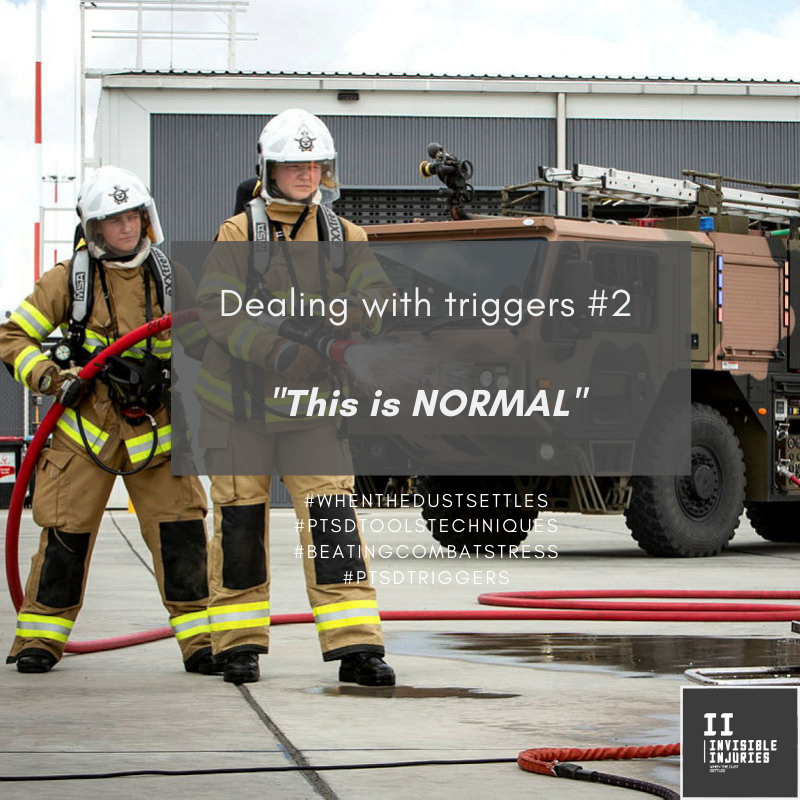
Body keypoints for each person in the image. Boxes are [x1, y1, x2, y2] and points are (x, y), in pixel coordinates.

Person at [196, 108, 396, 685]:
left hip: (312, 406)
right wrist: (276, 349)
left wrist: (339, 322)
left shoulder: (345, 236)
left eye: (315, 163)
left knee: (333, 520)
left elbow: (379, 299)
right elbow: (217, 307)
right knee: (240, 524)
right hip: (241, 407)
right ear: (269, 167)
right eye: (293, 163)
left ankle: (357, 646)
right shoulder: (239, 233)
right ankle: (236, 644)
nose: (306, 174)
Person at [1, 166, 217, 675]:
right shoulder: (70, 280)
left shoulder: (169, 276)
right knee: (65, 534)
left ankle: (200, 640)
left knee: (182, 534)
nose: (126, 228)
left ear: (147, 219)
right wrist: (54, 379)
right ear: (94, 228)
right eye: (113, 219)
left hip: (156, 431)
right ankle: (40, 638)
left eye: (133, 216)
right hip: (83, 431)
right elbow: (12, 339)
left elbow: (207, 341)